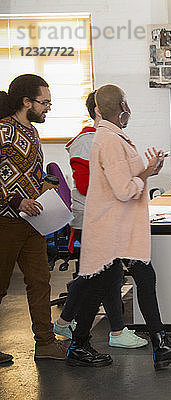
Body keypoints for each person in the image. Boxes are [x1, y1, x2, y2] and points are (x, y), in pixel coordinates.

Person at [65, 84, 171, 369]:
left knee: (122, 282)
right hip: (114, 228)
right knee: (102, 285)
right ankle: (81, 345)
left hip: (120, 227)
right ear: (123, 109)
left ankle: (157, 344)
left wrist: (150, 168)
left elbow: (126, 176)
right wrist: (145, 174)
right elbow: (124, 189)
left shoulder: (114, 137)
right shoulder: (109, 140)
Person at [53, 91, 147, 349]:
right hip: (92, 219)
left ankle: (106, 329)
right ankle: (79, 324)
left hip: (107, 217)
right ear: (100, 110)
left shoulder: (107, 137)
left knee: (108, 274)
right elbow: (86, 185)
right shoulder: (88, 141)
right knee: (102, 274)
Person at [0, 74, 68, 364]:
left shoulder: (32, 132)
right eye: (44, 102)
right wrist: (16, 200)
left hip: (34, 222)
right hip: (6, 222)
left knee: (40, 282)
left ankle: (46, 343)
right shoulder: (3, 130)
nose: (48, 108)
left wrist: (45, 184)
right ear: (26, 101)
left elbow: (28, 172)